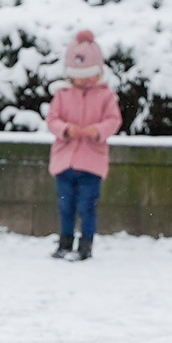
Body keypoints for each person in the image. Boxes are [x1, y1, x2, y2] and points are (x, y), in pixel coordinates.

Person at [47, 29, 121, 261]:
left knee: (87, 206)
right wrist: (66, 130)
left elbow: (113, 120)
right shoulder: (62, 95)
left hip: (91, 162)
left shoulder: (106, 96)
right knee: (65, 205)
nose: (85, 81)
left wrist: (96, 131)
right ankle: (65, 241)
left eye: (90, 75)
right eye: (80, 75)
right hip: (65, 161)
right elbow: (52, 119)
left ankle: (85, 244)